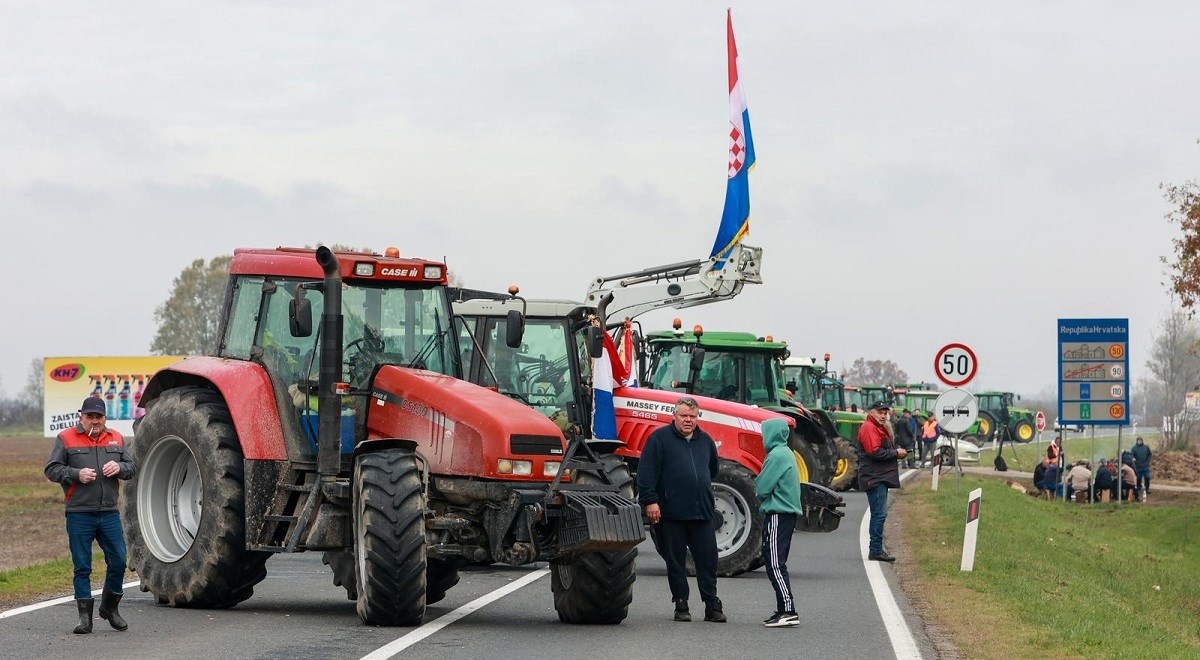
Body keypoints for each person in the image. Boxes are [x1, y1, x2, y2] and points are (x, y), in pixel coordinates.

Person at [44, 396, 135, 634]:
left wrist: (120, 467)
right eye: (90, 416)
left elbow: (132, 467)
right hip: (79, 513)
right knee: (82, 566)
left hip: (109, 513)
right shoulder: (65, 438)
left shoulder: (115, 438)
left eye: (99, 417)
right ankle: (85, 619)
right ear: (81, 416)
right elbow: (51, 469)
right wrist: (75, 473)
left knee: (119, 560)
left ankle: (109, 608)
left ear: (105, 418)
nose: (94, 421)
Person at [637, 397, 725, 623]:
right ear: (674, 416)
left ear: (698, 417)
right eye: (684, 415)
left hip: (702, 512)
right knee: (675, 561)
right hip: (671, 513)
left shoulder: (705, 441)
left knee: (708, 560)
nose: (688, 420)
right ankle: (681, 603)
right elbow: (646, 474)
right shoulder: (658, 440)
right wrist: (651, 501)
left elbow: (712, 469)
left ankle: (711, 604)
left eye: (692, 416)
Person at [755, 418, 802, 628]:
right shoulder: (787, 453)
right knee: (778, 561)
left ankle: (788, 609)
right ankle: (784, 608)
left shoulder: (775, 456)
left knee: (774, 562)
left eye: (765, 433)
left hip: (777, 514)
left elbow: (762, 488)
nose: (763, 437)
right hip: (787, 516)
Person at [857, 400, 906, 562]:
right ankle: (876, 550)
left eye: (885, 413)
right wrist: (895, 453)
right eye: (880, 412)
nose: (883, 415)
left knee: (879, 514)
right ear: (871, 412)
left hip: (878, 476)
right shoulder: (869, 428)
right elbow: (875, 452)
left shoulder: (877, 427)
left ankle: (876, 549)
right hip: (874, 477)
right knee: (879, 514)